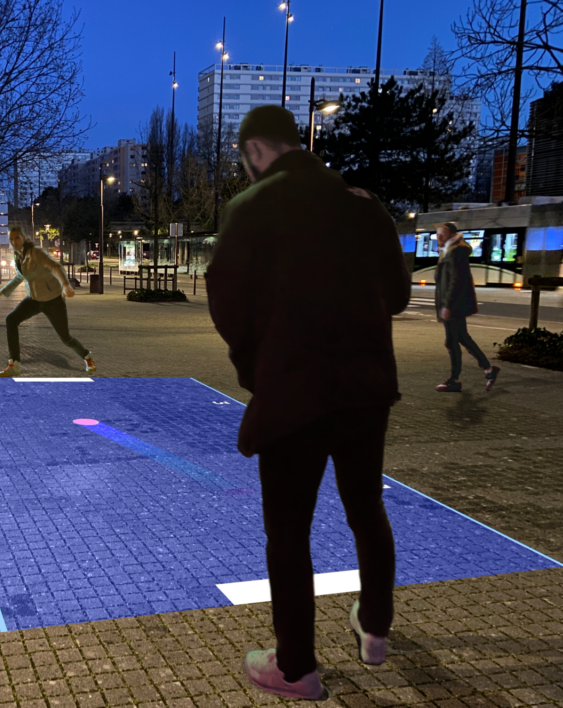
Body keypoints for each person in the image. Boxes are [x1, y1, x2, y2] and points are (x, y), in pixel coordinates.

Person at [206, 105, 412, 700]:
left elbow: (226, 302)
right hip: (365, 390)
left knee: (289, 531)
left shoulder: (249, 209)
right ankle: (374, 629)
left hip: (294, 392)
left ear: (254, 152)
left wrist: (257, 365)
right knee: (366, 508)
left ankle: (297, 667)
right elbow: (397, 296)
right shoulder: (362, 206)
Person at [0, 227, 96, 377]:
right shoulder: (18, 255)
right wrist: (2, 291)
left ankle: (87, 356)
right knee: (11, 320)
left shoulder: (36, 252)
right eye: (11, 239)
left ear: (24, 238)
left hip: (53, 300)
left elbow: (56, 267)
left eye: (17, 238)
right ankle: (15, 364)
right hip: (34, 299)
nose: (14, 242)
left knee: (66, 338)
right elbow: (20, 276)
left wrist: (65, 284)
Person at [434, 222, 500, 392]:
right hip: (452, 303)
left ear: (451, 235)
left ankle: (454, 379)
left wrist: (447, 305)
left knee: (451, 341)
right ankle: (489, 370)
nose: (438, 237)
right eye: (437, 234)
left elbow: (457, 280)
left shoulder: (457, 252)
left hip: (454, 304)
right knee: (462, 338)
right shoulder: (449, 250)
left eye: (442, 234)